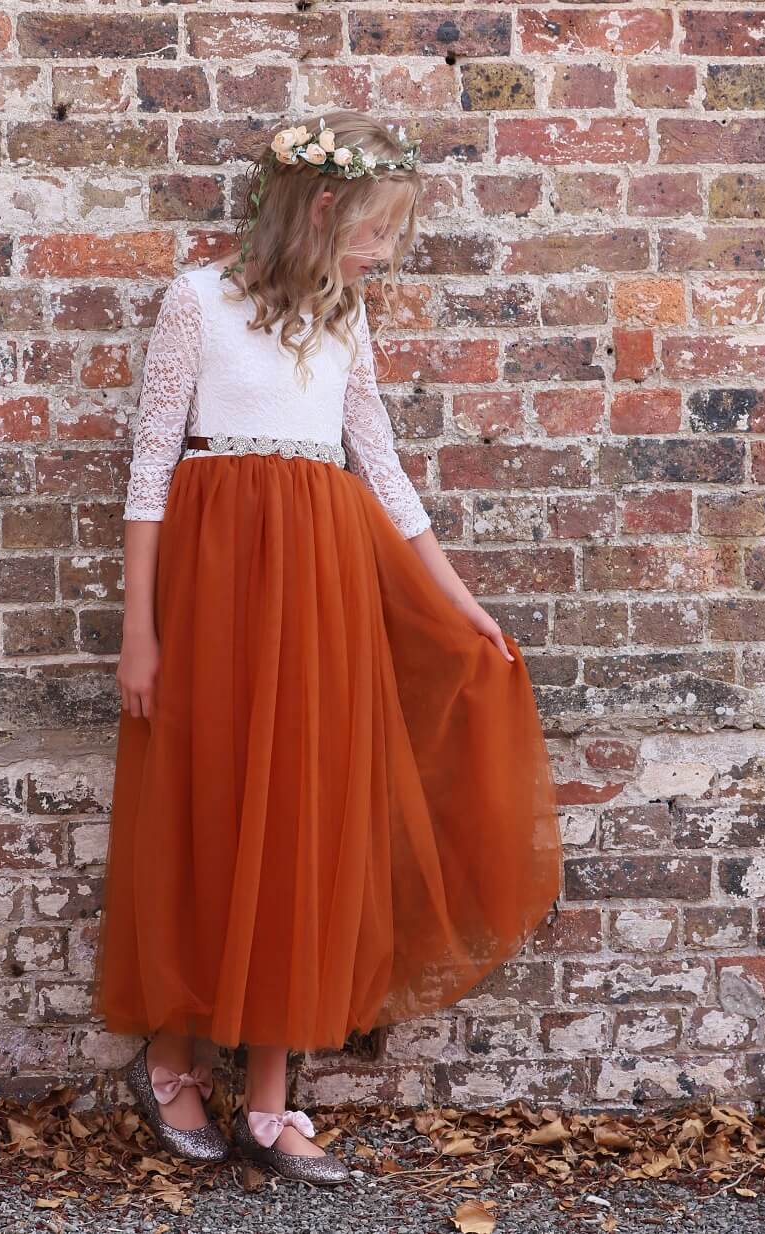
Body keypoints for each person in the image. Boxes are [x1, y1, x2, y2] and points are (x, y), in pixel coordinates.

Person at [91, 111, 562, 1185]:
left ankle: (269, 1102)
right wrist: (139, 630)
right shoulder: (196, 301)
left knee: (302, 820)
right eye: (376, 230)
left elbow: (380, 467)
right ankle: (170, 1056)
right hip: (216, 588)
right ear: (320, 210)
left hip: (320, 598)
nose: (385, 252)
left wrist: (462, 602)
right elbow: (151, 467)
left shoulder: (345, 320)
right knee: (210, 809)